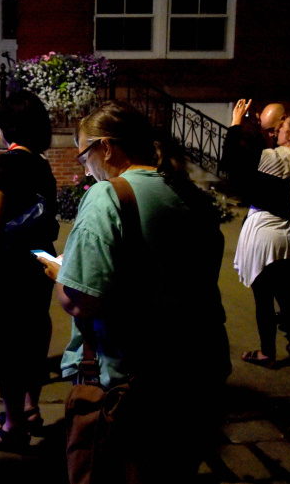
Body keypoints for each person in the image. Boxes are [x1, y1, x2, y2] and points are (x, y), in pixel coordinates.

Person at [40, 100, 231, 482]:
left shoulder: (108, 196)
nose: (85, 168)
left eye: (83, 156)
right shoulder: (192, 197)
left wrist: (60, 272)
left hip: (130, 388)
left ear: (106, 147)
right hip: (195, 375)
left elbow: (80, 301)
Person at [0, 90, 58, 452]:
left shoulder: (3, 165)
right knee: (35, 334)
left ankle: (14, 428)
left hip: (7, 266)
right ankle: (31, 409)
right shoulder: (42, 165)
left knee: (6, 344)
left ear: (6, 127)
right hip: (42, 259)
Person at [225, 99, 290, 367]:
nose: (275, 134)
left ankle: (267, 352)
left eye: (281, 128)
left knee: (263, 301)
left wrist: (235, 124)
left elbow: (231, 161)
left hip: (268, 238)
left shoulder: (278, 159)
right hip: (287, 238)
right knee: (286, 297)